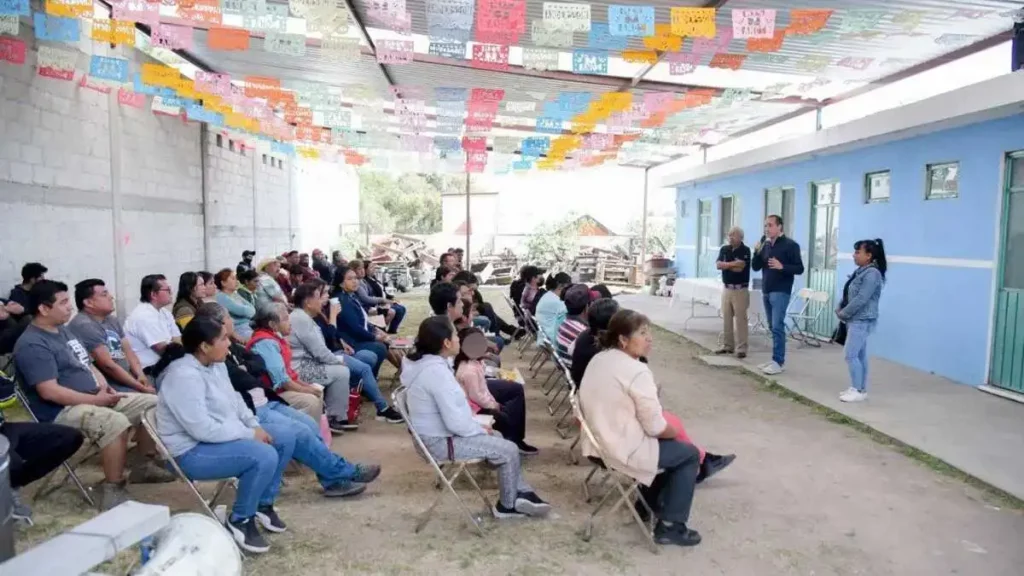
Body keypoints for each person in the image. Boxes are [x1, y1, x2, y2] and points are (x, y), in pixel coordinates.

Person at [14, 280, 173, 511]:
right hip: (61, 410)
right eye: (64, 302)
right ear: (43, 309)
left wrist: (103, 388)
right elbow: (49, 391)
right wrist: (96, 400)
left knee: (154, 402)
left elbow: (90, 365)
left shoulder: (64, 331)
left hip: (94, 397)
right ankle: (112, 489)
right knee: (114, 422)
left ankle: (143, 466)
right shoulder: (32, 343)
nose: (70, 307)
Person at [196, 303, 383, 494]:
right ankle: (344, 472)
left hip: (265, 401)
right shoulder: (217, 359)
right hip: (253, 409)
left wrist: (249, 368)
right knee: (299, 431)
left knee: (309, 425)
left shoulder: (230, 347)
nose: (233, 321)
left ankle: (333, 479)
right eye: (229, 317)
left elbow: (257, 364)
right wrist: (248, 370)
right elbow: (246, 376)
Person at [153, 314, 288, 554]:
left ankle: (262, 504)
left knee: (285, 438)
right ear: (204, 347)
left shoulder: (215, 365)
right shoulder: (183, 376)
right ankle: (240, 519)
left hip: (218, 438)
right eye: (223, 339)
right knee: (263, 455)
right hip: (189, 452)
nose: (230, 343)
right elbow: (201, 429)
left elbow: (236, 401)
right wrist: (248, 434)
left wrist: (254, 425)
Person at [400, 316, 551, 519]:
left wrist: (478, 426)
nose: (458, 339)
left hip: (440, 435)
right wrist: (479, 428)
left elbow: (455, 414)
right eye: (455, 335)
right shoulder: (435, 373)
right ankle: (507, 506)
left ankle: (521, 492)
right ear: (446, 343)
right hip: (440, 442)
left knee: (498, 436)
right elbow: (455, 421)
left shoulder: (432, 365)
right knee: (509, 449)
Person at [578, 310, 702, 547]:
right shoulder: (636, 370)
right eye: (642, 333)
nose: (650, 339)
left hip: (597, 444)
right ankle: (670, 526)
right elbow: (655, 427)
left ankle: (647, 505)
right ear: (623, 339)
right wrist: (674, 432)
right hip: (620, 448)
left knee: (670, 448)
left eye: (650, 333)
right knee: (688, 454)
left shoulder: (600, 358)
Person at [311, 281, 404, 424]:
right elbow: (327, 337)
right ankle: (382, 408)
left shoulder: (322, 311)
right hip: (329, 355)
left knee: (370, 356)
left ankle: (354, 387)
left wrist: (342, 342)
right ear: (312, 298)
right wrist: (334, 316)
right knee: (366, 366)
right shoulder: (313, 316)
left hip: (338, 349)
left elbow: (333, 335)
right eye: (324, 294)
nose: (328, 296)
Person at [454, 327, 537, 454]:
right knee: (504, 418)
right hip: (473, 409)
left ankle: (514, 442)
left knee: (506, 410)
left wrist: (493, 403)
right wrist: (492, 405)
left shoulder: (475, 363)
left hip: (478, 403)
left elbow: (483, 390)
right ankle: (512, 444)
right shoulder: (469, 370)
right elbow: (477, 396)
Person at [69, 279, 155, 394]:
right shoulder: (84, 325)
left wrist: (140, 375)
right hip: (112, 388)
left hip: (130, 380)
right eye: (104, 295)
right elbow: (108, 366)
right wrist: (141, 388)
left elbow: (128, 351)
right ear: (88, 303)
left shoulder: (112, 319)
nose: (111, 297)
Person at [289, 283, 355, 432]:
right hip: (300, 370)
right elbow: (319, 351)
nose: (323, 301)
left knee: (340, 368)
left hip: (307, 364)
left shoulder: (303, 317)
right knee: (341, 372)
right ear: (308, 302)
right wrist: (338, 361)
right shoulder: (301, 319)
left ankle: (335, 415)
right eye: (318, 298)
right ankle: (335, 417)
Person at [247, 305, 325, 424]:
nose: (290, 323)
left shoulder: (274, 337)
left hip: (282, 387)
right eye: (285, 319)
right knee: (311, 400)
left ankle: (315, 434)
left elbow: (287, 373)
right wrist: (305, 390)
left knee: (316, 390)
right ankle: (310, 436)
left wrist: (308, 387)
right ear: (273, 325)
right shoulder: (265, 343)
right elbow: (282, 380)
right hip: (272, 393)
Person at [751, 215, 804, 376]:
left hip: (781, 291)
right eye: (765, 225)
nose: (767, 228)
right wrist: (756, 251)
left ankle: (778, 361)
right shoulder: (765, 245)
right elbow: (755, 267)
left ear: (780, 227)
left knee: (777, 326)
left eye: (770, 225)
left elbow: (799, 268)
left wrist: (782, 266)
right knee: (772, 326)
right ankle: (775, 359)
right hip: (767, 289)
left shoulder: (791, 245)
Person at [835, 239, 887, 403]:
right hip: (855, 318)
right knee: (860, 354)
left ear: (869, 255)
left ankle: (857, 389)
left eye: (858, 252)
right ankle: (859, 388)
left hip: (861, 319)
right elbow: (850, 293)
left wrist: (844, 313)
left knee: (850, 354)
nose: (854, 255)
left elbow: (861, 299)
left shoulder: (872, 274)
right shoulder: (862, 271)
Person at [332, 266, 399, 373]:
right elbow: (355, 328)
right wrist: (375, 337)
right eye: (350, 279)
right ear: (341, 283)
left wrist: (377, 331)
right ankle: (369, 377)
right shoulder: (342, 299)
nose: (355, 281)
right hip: (351, 341)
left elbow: (363, 320)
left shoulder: (351, 295)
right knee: (380, 346)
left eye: (355, 278)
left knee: (389, 342)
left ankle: (403, 369)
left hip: (358, 336)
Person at [124, 274, 182, 374]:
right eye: (167, 290)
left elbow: (178, 340)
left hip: (167, 364)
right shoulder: (143, 316)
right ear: (153, 295)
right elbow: (164, 350)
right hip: (150, 370)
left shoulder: (164, 312)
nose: (171, 292)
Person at [714, 227, 752, 359]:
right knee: (726, 318)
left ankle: (741, 349)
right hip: (727, 288)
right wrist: (732, 264)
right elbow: (718, 265)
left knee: (741, 319)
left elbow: (741, 267)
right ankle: (727, 346)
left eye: (733, 235)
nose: (730, 237)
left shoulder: (745, 250)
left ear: (740, 237)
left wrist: (726, 265)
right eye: (729, 235)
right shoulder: (724, 249)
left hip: (740, 289)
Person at [363, 260, 407, 334]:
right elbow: (373, 297)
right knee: (396, 309)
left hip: (384, 301)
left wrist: (391, 298)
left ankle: (392, 330)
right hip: (378, 304)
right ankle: (382, 329)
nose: (374, 269)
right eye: (371, 267)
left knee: (401, 308)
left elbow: (383, 291)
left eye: (374, 267)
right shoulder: (366, 282)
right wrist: (386, 302)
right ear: (365, 269)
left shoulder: (374, 278)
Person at [215, 268, 257, 341]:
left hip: (248, 325)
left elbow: (252, 309)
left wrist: (249, 311)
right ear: (223, 283)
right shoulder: (221, 297)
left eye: (236, 279)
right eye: (233, 279)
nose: (237, 281)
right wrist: (248, 311)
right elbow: (245, 311)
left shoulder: (234, 294)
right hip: (238, 329)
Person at [556, 284, 591, 367]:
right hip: (576, 371)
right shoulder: (583, 332)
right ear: (587, 307)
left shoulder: (565, 322)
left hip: (566, 365)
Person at [535, 272, 572, 343]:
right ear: (561, 286)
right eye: (568, 288)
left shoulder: (548, 295)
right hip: (553, 340)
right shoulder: (557, 301)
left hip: (544, 338)